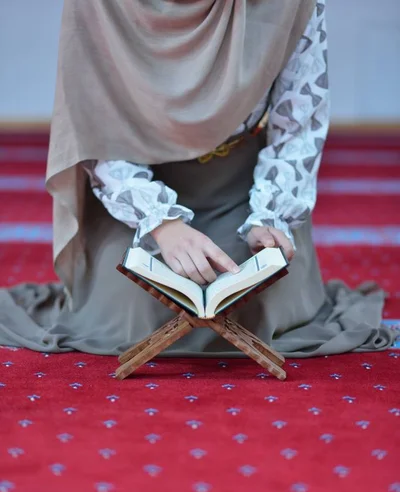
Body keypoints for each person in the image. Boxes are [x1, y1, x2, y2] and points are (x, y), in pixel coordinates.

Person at [0, 0, 394, 357]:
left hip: (246, 193)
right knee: (136, 309)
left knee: (262, 297)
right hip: (134, 201)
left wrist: (271, 216)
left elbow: (299, 127)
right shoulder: (100, 6)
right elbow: (93, 133)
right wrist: (161, 223)